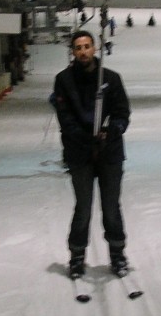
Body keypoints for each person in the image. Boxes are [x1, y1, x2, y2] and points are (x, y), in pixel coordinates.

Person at [51, 30, 131, 279]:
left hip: (109, 154)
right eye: (78, 47)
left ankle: (117, 254)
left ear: (94, 48)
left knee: (111, 206)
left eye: (87, 46)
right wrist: (85, 139)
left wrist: (112, 130)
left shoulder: (110, 78)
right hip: (80, 154)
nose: (83, 51)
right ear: (72, 52)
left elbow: (122, 112)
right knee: (83, 207)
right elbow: (66, 118)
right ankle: (77, 256)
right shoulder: (64, 80)